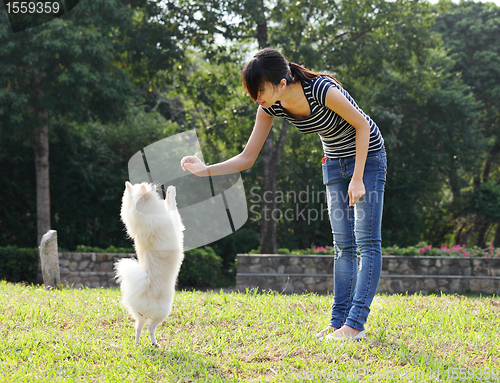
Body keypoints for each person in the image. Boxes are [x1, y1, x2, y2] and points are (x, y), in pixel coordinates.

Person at [180, 47, 387, 341]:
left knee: (366, 241)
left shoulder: (321, 90)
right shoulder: (270, 106)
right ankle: (338, 322)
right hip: (333, 163)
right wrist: (205, 170)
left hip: (368, 159)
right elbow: (248, 157)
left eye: (260, 90)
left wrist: (357, 178)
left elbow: (362, 125)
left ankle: (354, 325)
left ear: (280, 83)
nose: (256, 98)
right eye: (253, 92)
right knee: (342, 245)